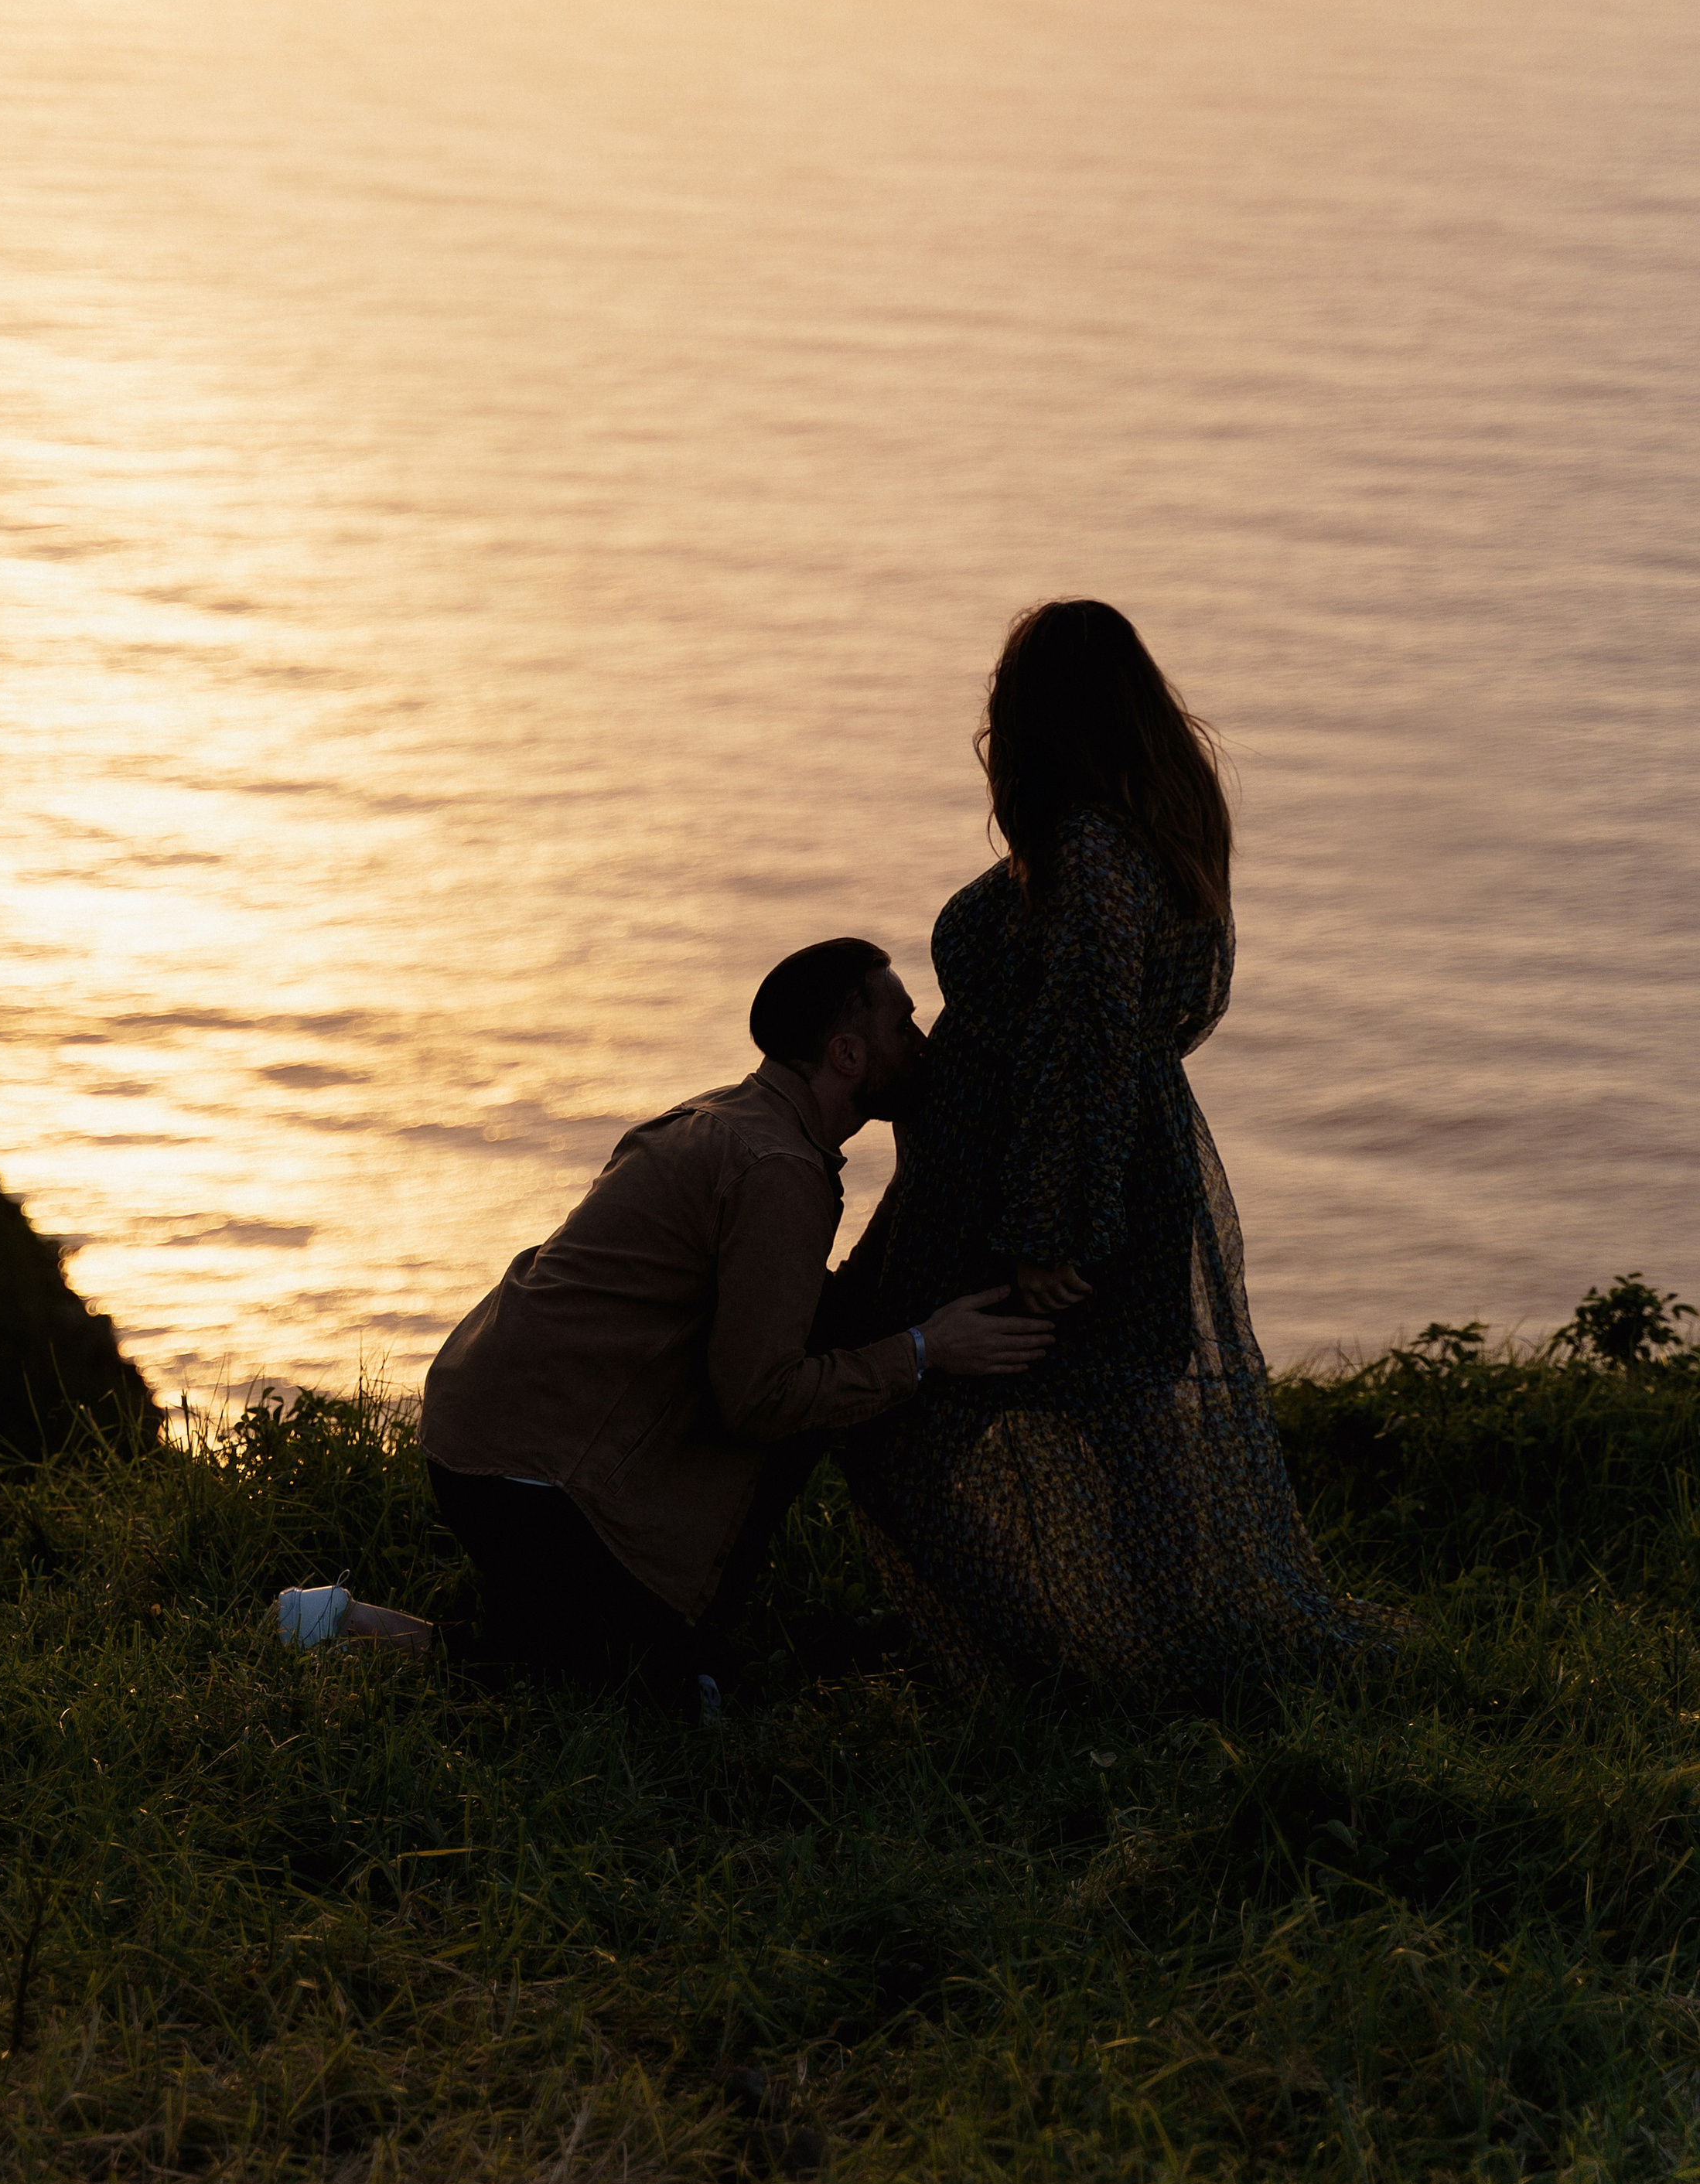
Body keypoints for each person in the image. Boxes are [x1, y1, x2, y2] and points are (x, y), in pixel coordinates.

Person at [837, 599, 1374, 1698]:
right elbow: (1135, 1032)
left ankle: (1062, 1674)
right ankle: (1157, 1671)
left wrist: (1047, 1230)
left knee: (908, 1449)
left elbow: (1089, 1040)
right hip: (1108, 1173)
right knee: (1129, 1449)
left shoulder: (1090, 856)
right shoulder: (1144, 834)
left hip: (1047, 1203)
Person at [411, 938, 1061, 1705]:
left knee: (605, 1664)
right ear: (847, 1054)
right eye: (904, 1028)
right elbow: (758, 1397)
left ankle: (472, 1625)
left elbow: (806, 1318)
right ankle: (346, 1626)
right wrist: (927, 1350)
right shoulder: (778, 1170)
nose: (923, 1048)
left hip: (481, 1436)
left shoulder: (734, 1119)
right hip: (533, 1479)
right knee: (673, 1701)